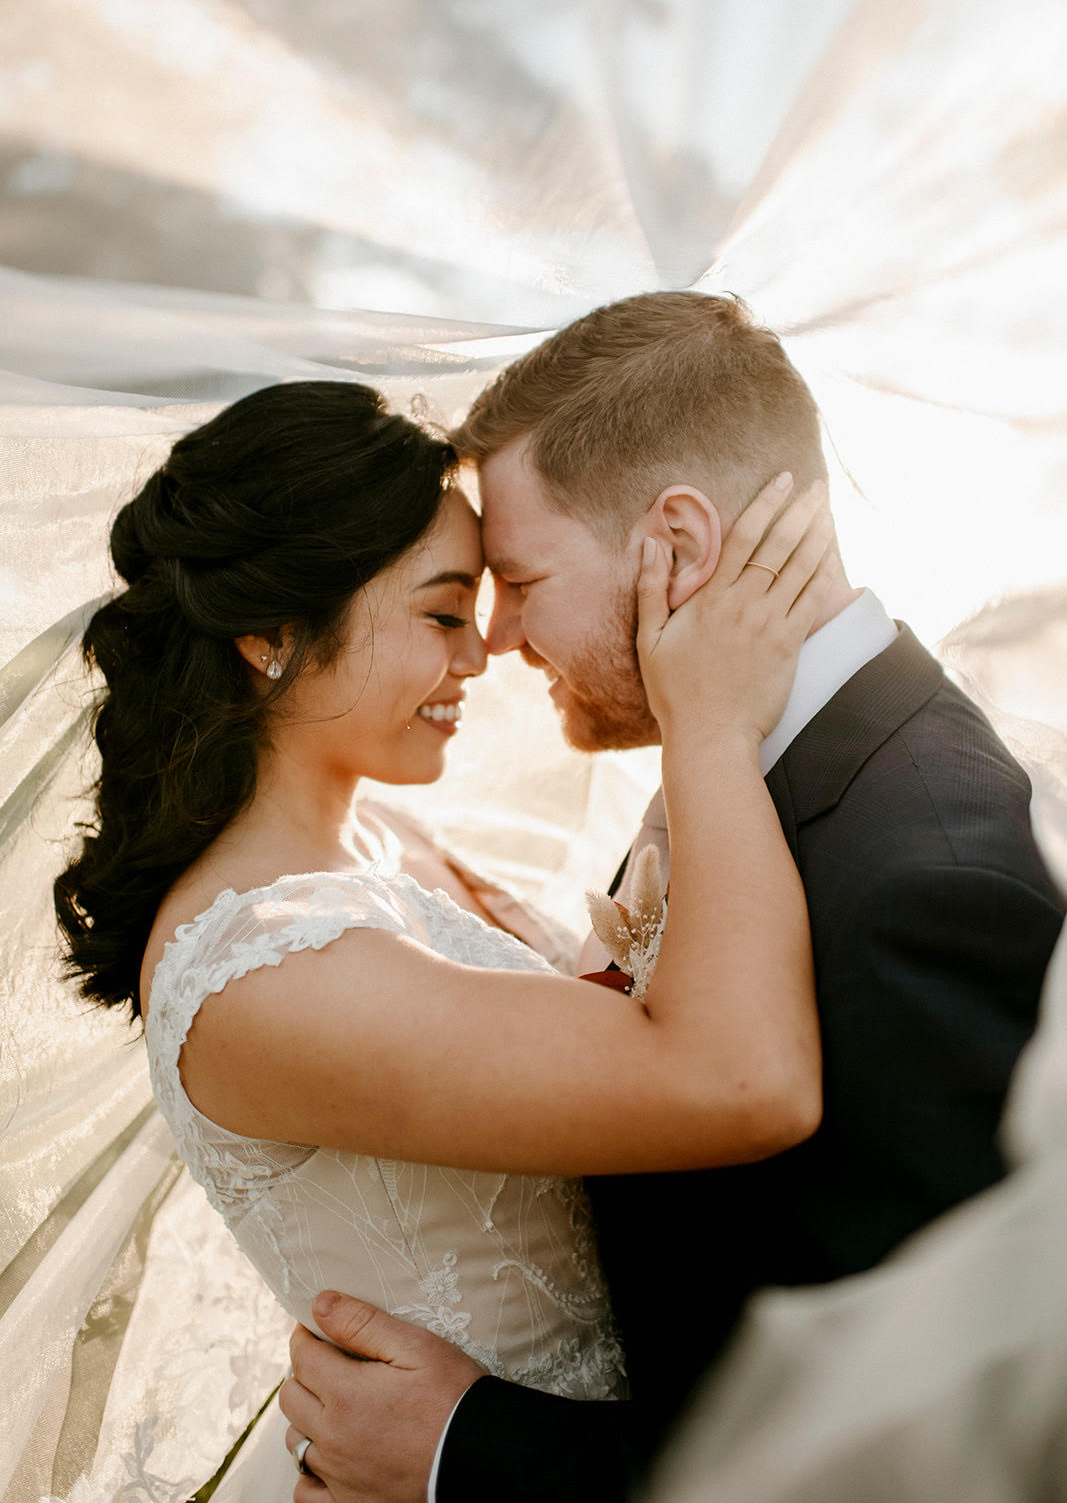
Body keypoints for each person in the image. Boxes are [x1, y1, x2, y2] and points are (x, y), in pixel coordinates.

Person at [279, 292, 1065, 1503]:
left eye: (522, 578)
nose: (498, 639)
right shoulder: (751, 773)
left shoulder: (923, 885)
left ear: (677, 548)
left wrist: (464, 1449)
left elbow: (939, 1460)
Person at [54, 376, 837, 1502]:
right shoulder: (265, 977)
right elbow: (741, 1077)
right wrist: (708, 724)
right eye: (438, 613)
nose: (480, 656)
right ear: (270, 635)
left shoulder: (379, 839)